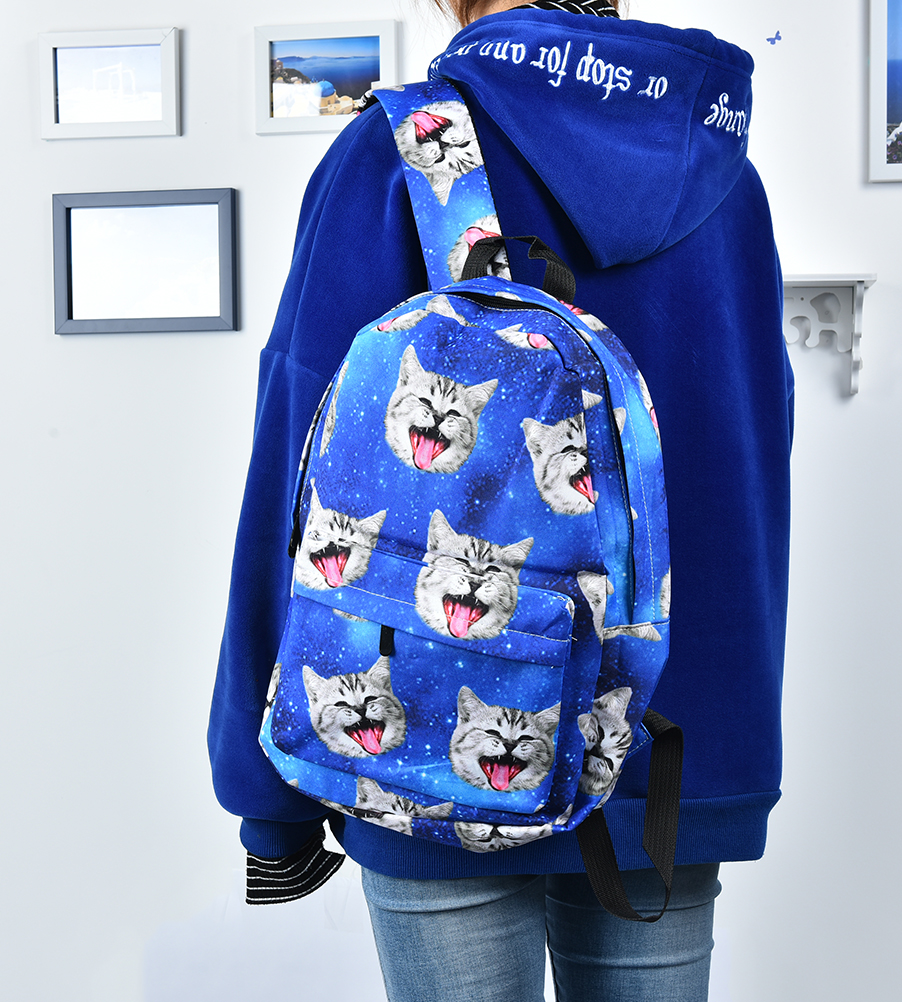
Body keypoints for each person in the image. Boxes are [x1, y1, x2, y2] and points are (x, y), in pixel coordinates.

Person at [209, 1, 793, 999]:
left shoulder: (399, 153)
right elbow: (753, 453)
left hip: (428, 727)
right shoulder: (723, 174)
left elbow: (299, 471)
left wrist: (265, 793)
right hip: (670, 737)